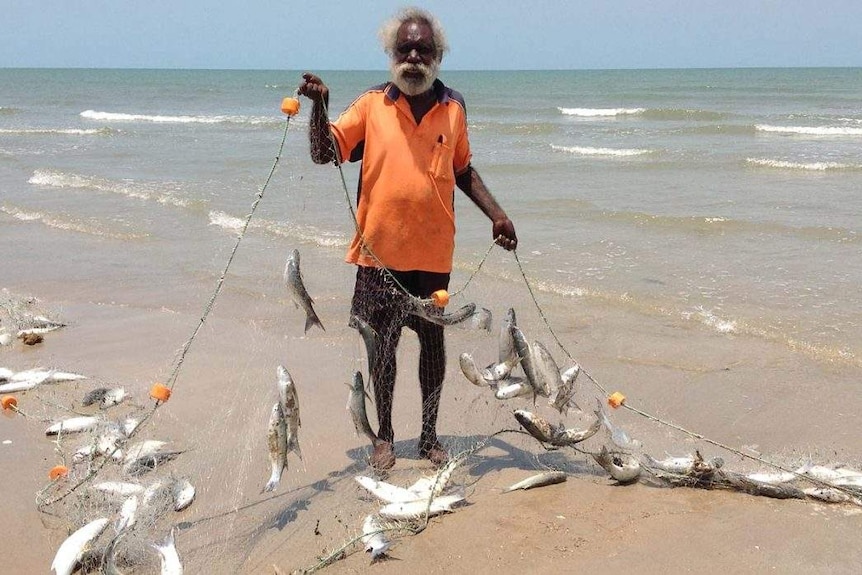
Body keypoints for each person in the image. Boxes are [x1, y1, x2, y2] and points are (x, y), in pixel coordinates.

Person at [298, 7, 517, 470]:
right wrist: (319, 107)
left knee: (433, 349)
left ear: (438, 56)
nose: (413, 56)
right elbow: (324, 153)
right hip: (379, 256)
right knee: (383, 349)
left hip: (433, 257)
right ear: (391, 54)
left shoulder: (453, 106)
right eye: (405, 48)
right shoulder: (371, 104)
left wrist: (497, 215)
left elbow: (462, 170)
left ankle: (430, 437)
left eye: (423, 49)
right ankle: (385, 438)